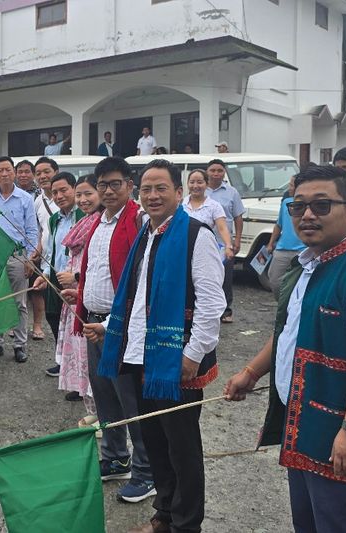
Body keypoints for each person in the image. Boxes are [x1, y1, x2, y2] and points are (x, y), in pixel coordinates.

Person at [225, 164, 346, 533]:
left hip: (339, 430)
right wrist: (251, 372)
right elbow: (291, 329)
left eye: (322, 206)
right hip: (305, 423)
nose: (307, 215)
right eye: (298, 206)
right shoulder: (308, 265)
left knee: (343, 523)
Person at [98, 159, 225, 532]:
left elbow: (211, 303)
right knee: (154, 444)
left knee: (182, 449)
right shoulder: (147, 234)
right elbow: (136, 296)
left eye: (161, 188)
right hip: (141, 357)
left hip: (175, 361)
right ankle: (164, 515)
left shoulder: (195, 235)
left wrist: (192, 354)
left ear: (179, 193)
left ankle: (186, 524)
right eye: (147, 190)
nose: (153, 196)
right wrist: (108, 327)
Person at [62, 157, 155, 504]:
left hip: (122, 327)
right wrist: (81, 290)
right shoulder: (97, 223)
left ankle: (148, 471)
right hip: (93, 321)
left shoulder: (138, 222)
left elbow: (139, 281)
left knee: (132, 400)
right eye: (103, 184)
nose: (108, 190)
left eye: (115, 183)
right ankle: (116, 457)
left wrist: (110, 323)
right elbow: (100, 269)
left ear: (129, 185)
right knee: (105, 398)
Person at [53, 175, 101, 410]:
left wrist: (76, 278)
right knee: (82, 358)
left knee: (92, 358)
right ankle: (91, 408)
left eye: (88, 193)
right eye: (80, 194)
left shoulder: (101, 223)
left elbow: (103, 266)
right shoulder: (87, 221)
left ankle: (102, 414)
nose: (83, 199)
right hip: (75, 298)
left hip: (90, 298)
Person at [0, 156, 39, 363]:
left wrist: (30, 258)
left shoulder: (25, 198)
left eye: (8, 169)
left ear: (14, 172)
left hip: (17, 255)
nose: (5, 173)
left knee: (19, 302)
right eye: (1, 170)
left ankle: (19, 345)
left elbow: (32, 231)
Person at [33, 172, 83, 377]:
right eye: (55, 192)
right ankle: (62, 360)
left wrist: (76, 275)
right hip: (56, 276)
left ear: (74, 189)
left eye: (64, 190)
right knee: (54, 318)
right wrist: (45, 274)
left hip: (75, 278)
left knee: (76, 323)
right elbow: (51, 250)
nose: (59, 195)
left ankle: (79, 368)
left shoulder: (84, 216)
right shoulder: (55, 219)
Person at [206, 159, 244, 323]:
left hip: (225, 243)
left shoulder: (232, 192)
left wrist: (237, 239)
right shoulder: (200, 190)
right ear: (207, 172)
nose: (216, 173)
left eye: (219, 170)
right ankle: (207, 309)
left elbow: (238, 217)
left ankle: (226, 311)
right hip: (205, 243)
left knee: (226, 278)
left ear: (224, 172)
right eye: (213, 170)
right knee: (205, 276)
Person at [32, 157, 60, 344]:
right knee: (51, 312)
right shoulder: (38, 201)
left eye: (46, 172)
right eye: (39, 173)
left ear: (56, 172)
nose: (42, 176)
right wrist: (38, 249)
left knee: (64, 312)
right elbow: (42, 230)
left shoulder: (66, 196)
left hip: (64, 263)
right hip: (47, 261)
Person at [266, 174, 307, 301]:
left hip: (303, 250)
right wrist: (271, 242)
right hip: (282, 248)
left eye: (291, 185)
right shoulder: (286, 202)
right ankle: (283, 306)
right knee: (274, 279)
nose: (289, 188)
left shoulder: (309, 205)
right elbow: (279, 224)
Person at [183, 169, 234, 262]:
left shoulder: (214, 206)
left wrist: (228, 246)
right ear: (187, 184)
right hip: (183, 250)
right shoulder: (180, 205)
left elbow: (222, 228)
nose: (195, 186)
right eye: (192, 182)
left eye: (199, 182)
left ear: (207, 184)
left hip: (205, 251)